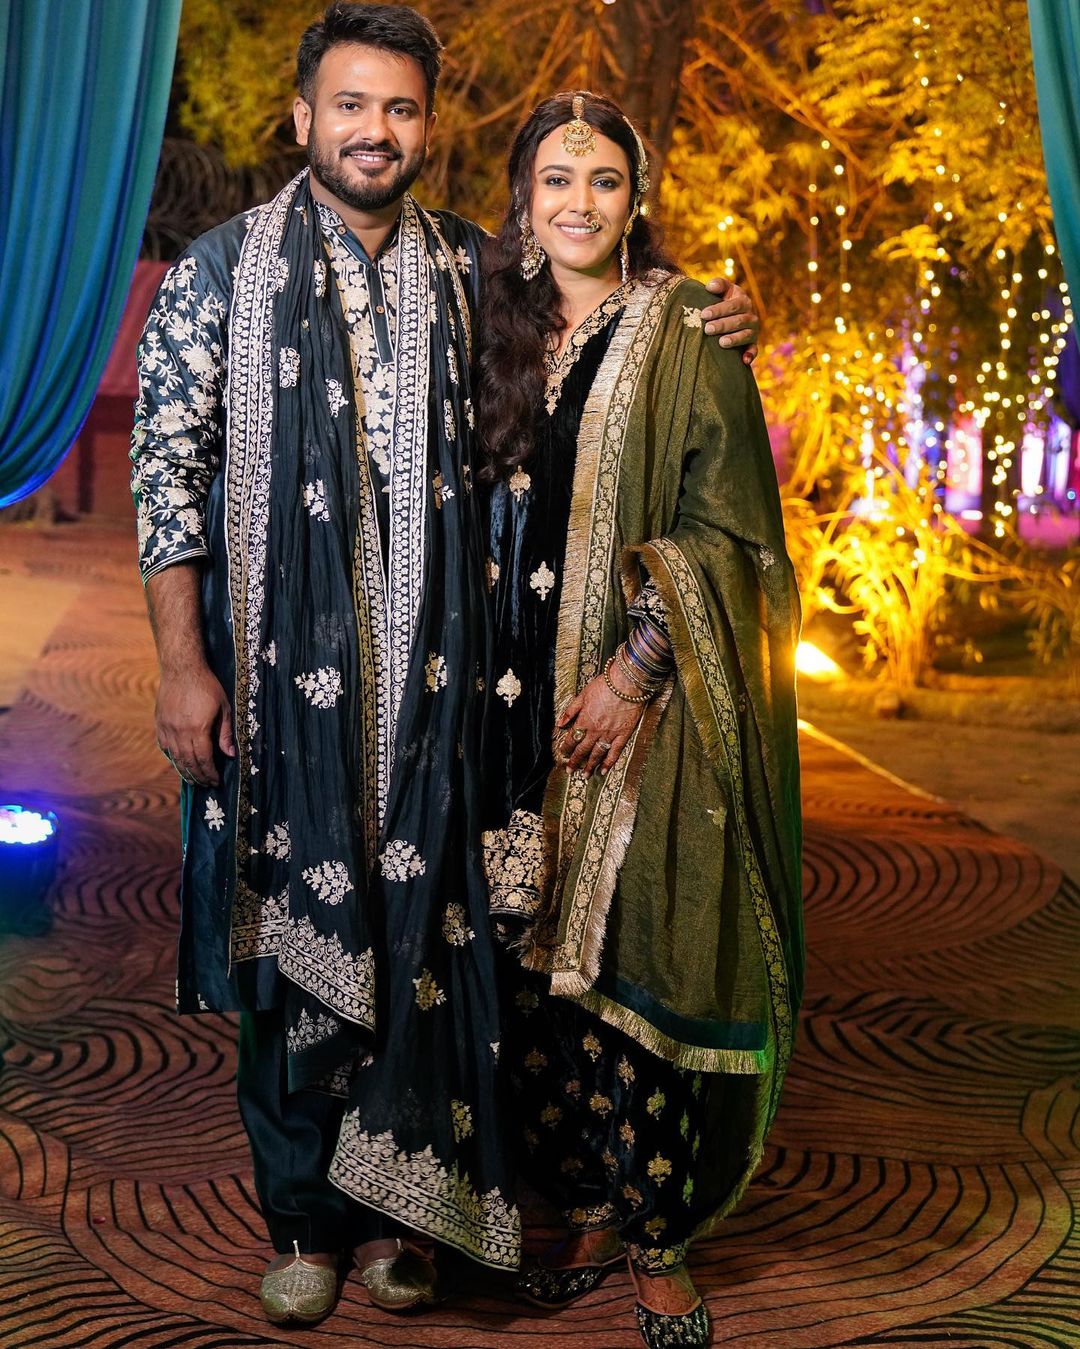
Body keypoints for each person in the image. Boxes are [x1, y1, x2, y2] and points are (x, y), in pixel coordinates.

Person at [130, 1, 759, 1328]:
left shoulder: (475, 271)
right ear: (303, 117)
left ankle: (402, 1216)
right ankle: (303, 1220)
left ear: (427, 125)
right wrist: (184, 664)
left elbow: (604, 316)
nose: (375, 130)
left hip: (439, 699)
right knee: (283, 945)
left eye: (400, 108)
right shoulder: (219, 274)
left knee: (425, 940)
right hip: (279, 693)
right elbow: (167, 477)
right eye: (350, 104)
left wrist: (711, 311)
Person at [477, 91, 803, 1349]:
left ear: (636, 198)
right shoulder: (486, 321)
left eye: (604, 180)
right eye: (557, 179)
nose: (579, 202)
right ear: (523, 196)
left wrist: (638, 670)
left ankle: (660, 1238)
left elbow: (733, 533)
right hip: (496, 706)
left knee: (634, 955)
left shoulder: (689, 332)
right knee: (526, 968)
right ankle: (573, 1202)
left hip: (634, 708)